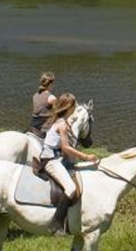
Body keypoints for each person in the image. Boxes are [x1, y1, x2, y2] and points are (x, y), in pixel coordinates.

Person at [39, 93, 97, 231]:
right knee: (71, 189)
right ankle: (56, 224)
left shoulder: (62, 121)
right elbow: (66, 147)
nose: (76, 107)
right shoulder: (62, 125)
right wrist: (85, 156)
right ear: (69, 107)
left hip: (57, 157)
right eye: (74, 105)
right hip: (51, 160)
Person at [29, 72, 57, 137]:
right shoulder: (51, 98)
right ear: (50, 84)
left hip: (33, 123)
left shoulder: (35, 95)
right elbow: (57, 114)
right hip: (44, 125)